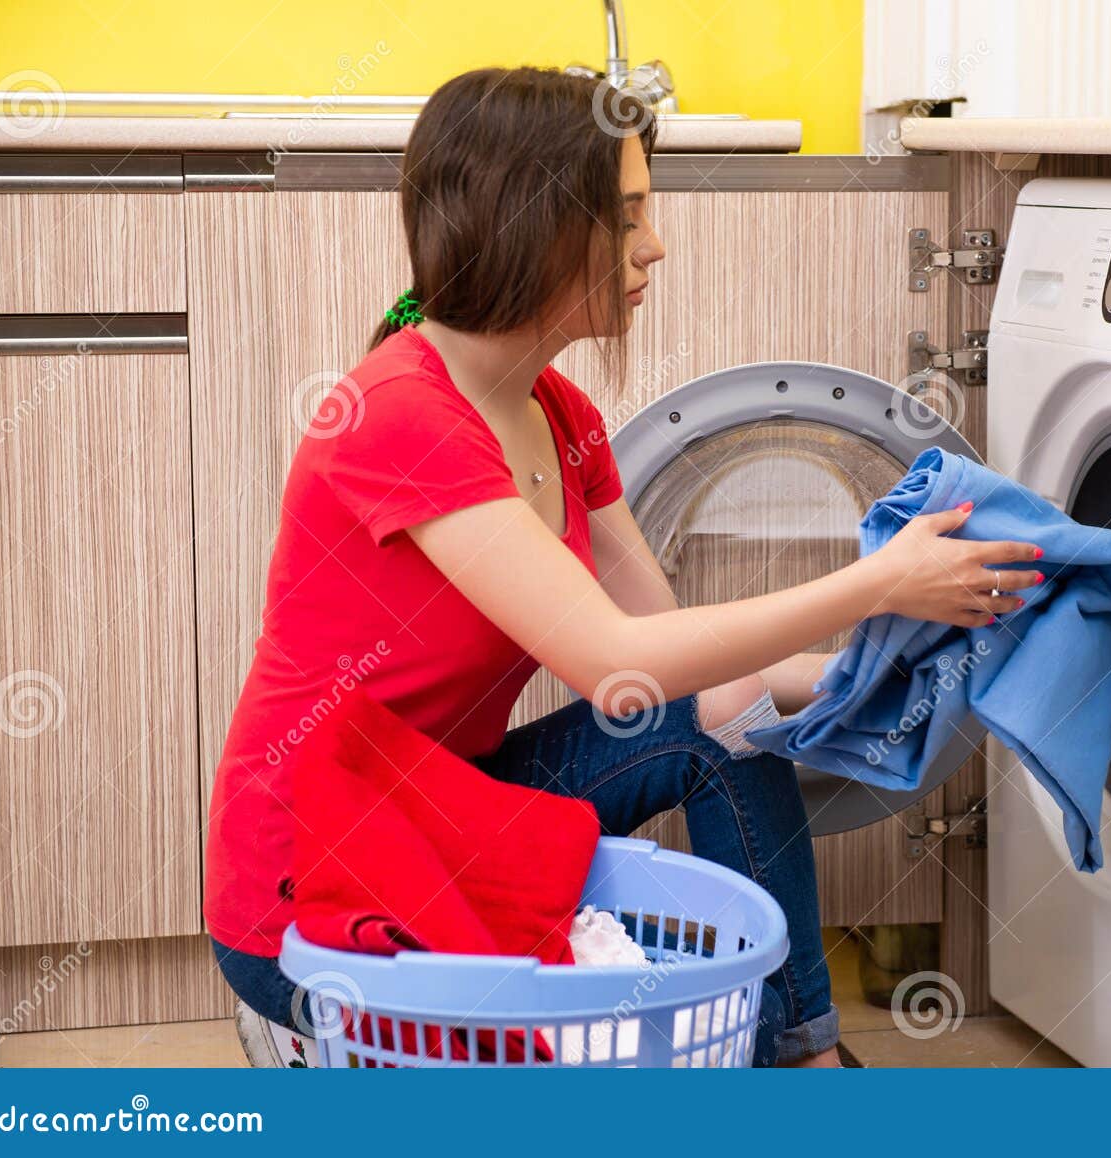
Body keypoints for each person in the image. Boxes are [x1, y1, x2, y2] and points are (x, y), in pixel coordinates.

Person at [203, 66, 1042, 1068]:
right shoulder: (401, 419)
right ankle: (303, 1018)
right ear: (535, 224)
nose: (655, 246)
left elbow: (687, 674)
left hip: (453, 806)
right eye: (629, 215)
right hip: (317, 866)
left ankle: (798, 1054)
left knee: (725, 722)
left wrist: (906, 669)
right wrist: (878, 583)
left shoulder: (562, 419)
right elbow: (610, 659)